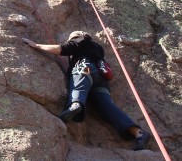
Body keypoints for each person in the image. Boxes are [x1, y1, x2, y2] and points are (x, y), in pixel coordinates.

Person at [22, 30, 151, 151]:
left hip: (85, 68)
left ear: (80, 36)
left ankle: (75, 104)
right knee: (107, 106)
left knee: (79, 85)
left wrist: (37, 45)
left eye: (72, 38)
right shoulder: (97, 49)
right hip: (101, 79)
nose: (71, 40)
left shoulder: (81, 41)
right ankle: (138, 133)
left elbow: (62, 49)